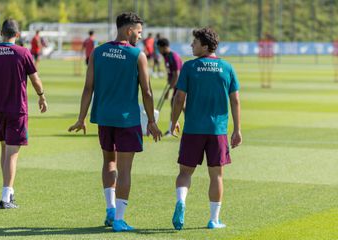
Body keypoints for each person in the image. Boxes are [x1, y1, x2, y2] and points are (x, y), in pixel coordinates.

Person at [68, 12, 162, 232]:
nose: (140, 36)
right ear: (128, 30)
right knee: (125, 169)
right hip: (127, 120)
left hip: (103, 117)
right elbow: (147, 92)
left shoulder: (98, 52)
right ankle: (119, 219)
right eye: (138, 32)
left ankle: (110, 209)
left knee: (109, 162)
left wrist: (82, 118)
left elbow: (87, 88)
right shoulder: (137, 55)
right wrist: (151, 120)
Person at [170, 27, 242, 230]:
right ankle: (214, 219)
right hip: (217, 130)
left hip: (193, 128)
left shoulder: (190, 67)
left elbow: (179, 99)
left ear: (205, 45)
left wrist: (174, 120)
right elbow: (235, 100)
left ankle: (181, 201)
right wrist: (237, 129)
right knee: (216, 176)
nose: (191, 45)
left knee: (185, 173)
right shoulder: (227, 68)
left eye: (195, 42)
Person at [0, 19, 47, 209]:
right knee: (12, 154)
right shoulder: (23, 53)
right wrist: (41, 96)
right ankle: (6, 196)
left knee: (4, 150)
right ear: (17, 34)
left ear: (1, 33)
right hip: (17, 109)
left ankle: (9, 190)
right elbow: (35, 79)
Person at [156, 38, 183, 136]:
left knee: (176, 105)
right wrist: (169, 81)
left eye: (159, 48)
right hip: (177, 85)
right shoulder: (166, 56)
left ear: (164, 47)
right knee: (180, 107)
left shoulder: (173, 56)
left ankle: (173, 130)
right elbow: (170, 73)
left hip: (181, 85)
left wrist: (169, 90)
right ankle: (173, 129)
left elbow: (177, 75)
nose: (158, 50)